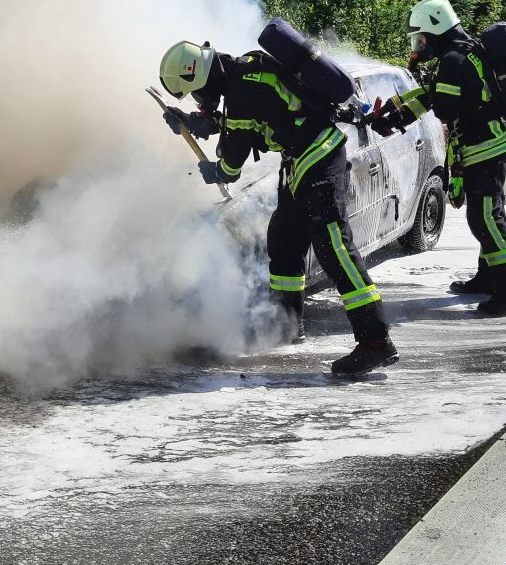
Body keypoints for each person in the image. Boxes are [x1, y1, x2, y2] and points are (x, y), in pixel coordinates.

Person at [158, 40, 398, 376]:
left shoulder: (240, 92)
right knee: (284, 240)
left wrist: (213, 171)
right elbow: (242, 121)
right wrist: (191, 122)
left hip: (319, 161)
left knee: (335, 250)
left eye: (196, 95)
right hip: (302, 163)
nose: (200, 101)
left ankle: (376, 340)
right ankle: (285, 326)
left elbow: (230, 165)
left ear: (201, 79)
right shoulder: (244, 72)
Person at [373, 0, 506, 316]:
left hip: (485, 147)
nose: (419, 46)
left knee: (484, 218)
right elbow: (435, 97)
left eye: (421, 38)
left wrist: (404, 112)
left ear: (434, 28)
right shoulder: (464, 51)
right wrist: (396, 115)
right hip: (485, 145)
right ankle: (488, 279)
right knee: (488, 214)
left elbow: (443, 107)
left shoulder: (454, 59)